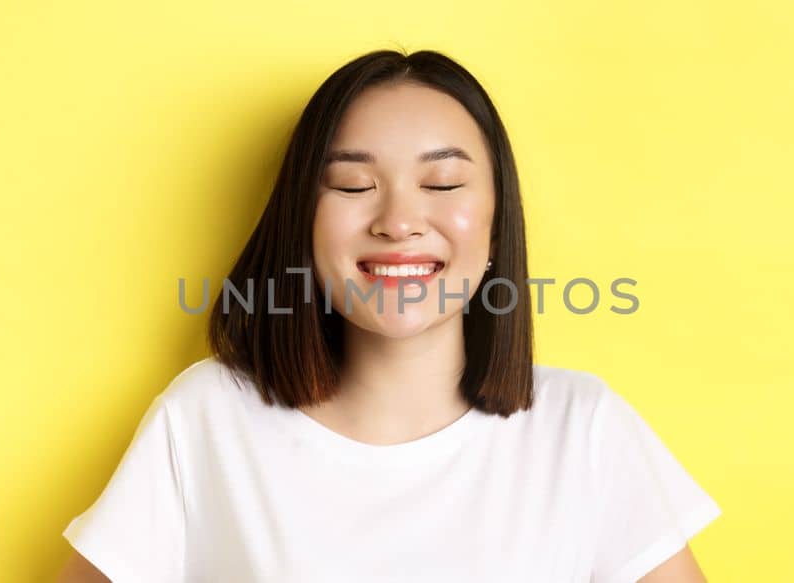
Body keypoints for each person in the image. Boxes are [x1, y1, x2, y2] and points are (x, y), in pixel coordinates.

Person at [55, 49, 720, 583]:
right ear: (303, 221)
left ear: (496, 220)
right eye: (352, 185)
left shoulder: (582, 426)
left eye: (443, 185)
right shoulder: (208, 417)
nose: (399, 221)